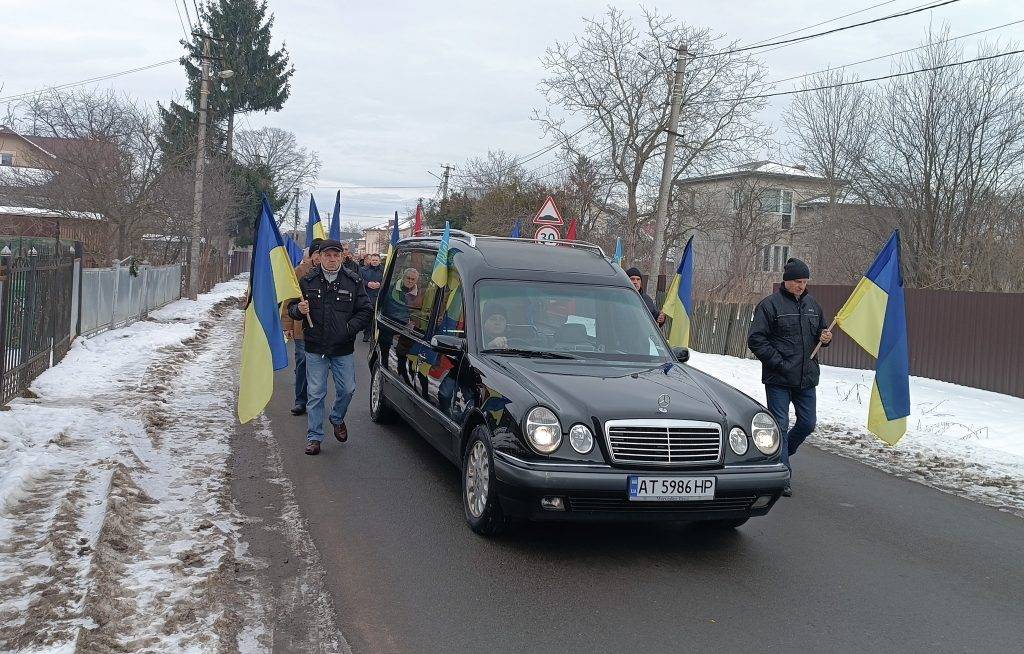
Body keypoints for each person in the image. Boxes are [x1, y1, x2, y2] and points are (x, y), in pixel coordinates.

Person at [747, 258, 832, 496]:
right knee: (780, 425)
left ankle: (781, 452)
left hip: (806, 378)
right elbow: (756, 339)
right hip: (779, 378)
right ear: (786, 281)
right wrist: (779, 363)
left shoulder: (813, 306)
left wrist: (825, 339)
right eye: (797, 281)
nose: (801, 286)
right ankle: (783, 474)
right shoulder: (769, 305)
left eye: (804, 282)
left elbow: (820, 335)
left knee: (808, 423)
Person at [287, 239, 372, 455]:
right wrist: (298, 309)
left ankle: (336, 417)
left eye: (336, 255)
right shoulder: (308, 281)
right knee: (316, 393)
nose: (332, 259)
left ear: (342, 257)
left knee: (348, 389)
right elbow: (291, 308)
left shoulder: (353, 281)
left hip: (342, 348)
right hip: (315, 347)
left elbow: (365, 310)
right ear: (320, 256)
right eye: (328, 255)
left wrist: (348, 329)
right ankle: (314, 437)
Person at [280, 240, 324, 416]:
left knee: (319, 366)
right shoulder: (299, 272)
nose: (322, 258)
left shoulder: (332, 273)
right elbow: (289, 300)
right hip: (301, 328)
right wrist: (287, 325)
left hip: (322, 329)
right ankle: (300, 400)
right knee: (302, 363)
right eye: (319, 254)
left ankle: (316, 400)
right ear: (313, 255)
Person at [359, 252, 384, 342]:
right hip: (367, 296)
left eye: (376, 260)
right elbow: (359, 280)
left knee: (376, 317)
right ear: (370, 260)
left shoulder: (384, 270)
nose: (374, 262)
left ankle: (374, 334)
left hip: (378, 296)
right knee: (368, 316)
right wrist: (367, 283)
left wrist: (380, 284)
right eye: (373, 260)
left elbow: (387, 281)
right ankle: (367, 333)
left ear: (379, 261)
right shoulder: (362, 270)